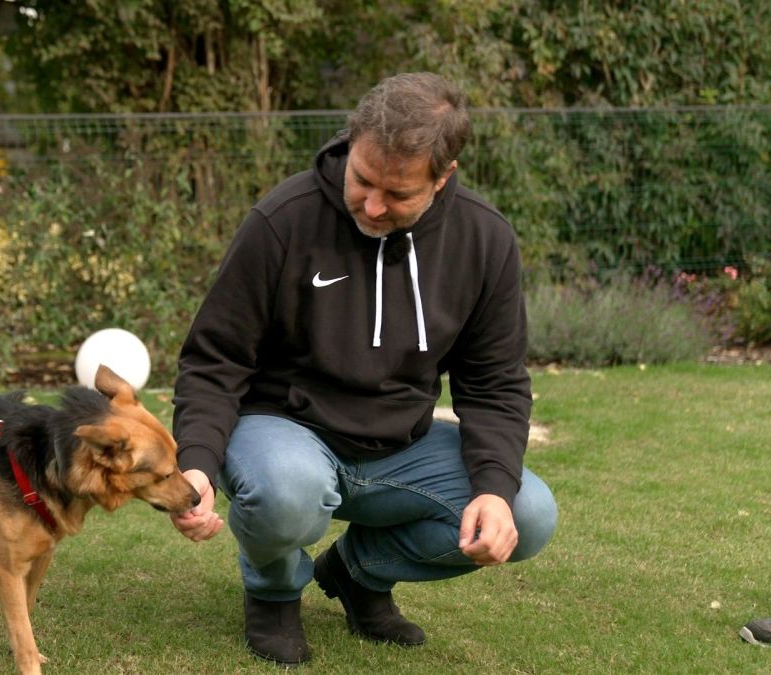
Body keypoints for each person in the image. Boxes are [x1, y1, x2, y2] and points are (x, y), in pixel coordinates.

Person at [168, 72, 559, 665]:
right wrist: (194, 463)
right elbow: (215, 358)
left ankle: (357, 573)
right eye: (362, 180)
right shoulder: (284, 220)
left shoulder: (485, 240)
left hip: (401, 447)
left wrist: (494, 490)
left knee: (526, 514)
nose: (372, 206)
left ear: (442, 177)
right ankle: (273, 592)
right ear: (352, 144)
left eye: (397, 194)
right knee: (288, 491)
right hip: (284, 430)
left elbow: (495, 384)